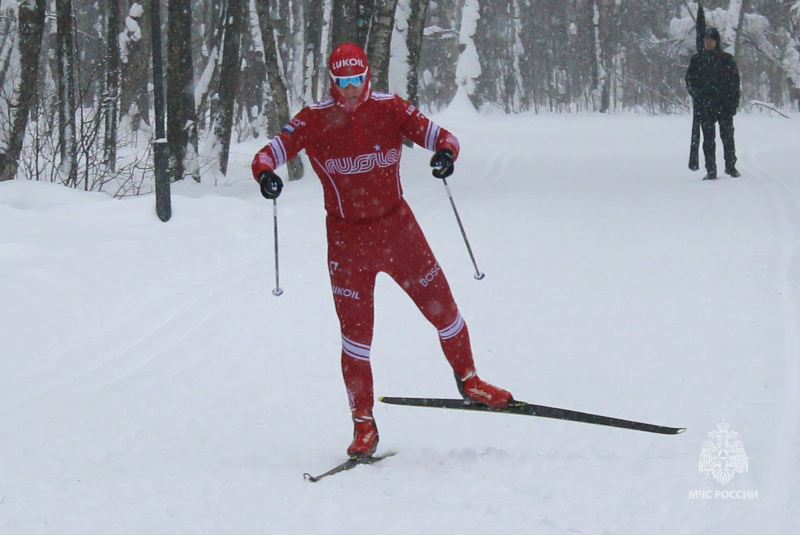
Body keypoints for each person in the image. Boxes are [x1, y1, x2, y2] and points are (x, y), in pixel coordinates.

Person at [251, 43, 513, 459]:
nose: (351, 89)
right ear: (332, 81)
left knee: (443, 308)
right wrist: (265, 175)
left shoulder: (390, 108)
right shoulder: (315, 119)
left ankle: (470, 380)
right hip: (347, 241)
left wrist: (445, 154)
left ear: (367, 76)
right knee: (356, 338)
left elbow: (441, 136)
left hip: (398, 229)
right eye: (342, 82)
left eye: (357, 80)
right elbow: (269, 153)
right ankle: (363, 424)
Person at [685, 26, 741, 180]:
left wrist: (733, 103)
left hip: (724, 105)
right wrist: (699, 96)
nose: (708, 43)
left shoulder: (726, 59)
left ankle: (731, 166)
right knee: (708, 139)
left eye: (711, 40)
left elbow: (734, 82)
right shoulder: (697, 60)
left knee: (728, 137)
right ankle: (711, 170)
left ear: (717, 41)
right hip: (706, 106)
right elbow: (690, 81)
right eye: (706, 40)